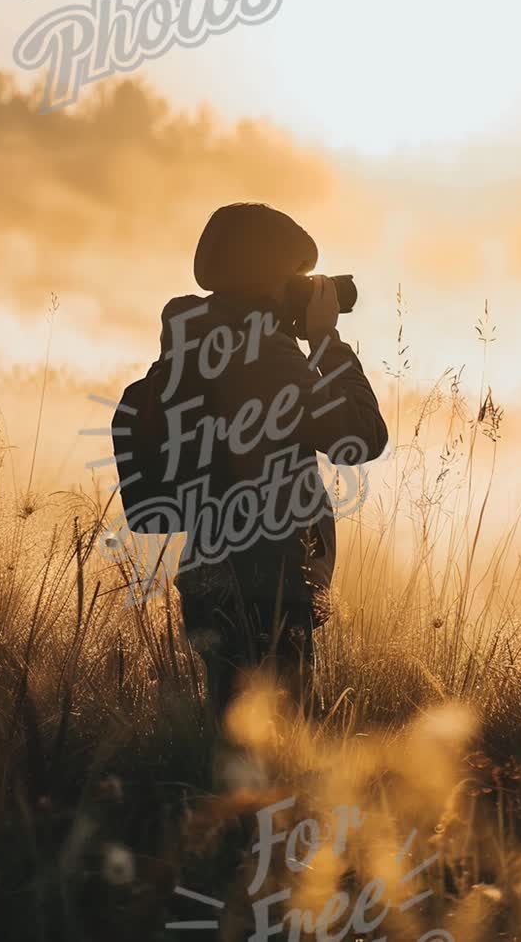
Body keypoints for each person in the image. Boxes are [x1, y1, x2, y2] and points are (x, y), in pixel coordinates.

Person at [114, 203, 388, 719]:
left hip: (209, 575)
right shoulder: (265, 354)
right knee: (280, 751)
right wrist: (326, 341)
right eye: (298, 278)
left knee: (234, 739)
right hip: (269, 583)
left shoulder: (189, 346)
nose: (307, 288)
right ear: (271, 281)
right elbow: (359, 437)